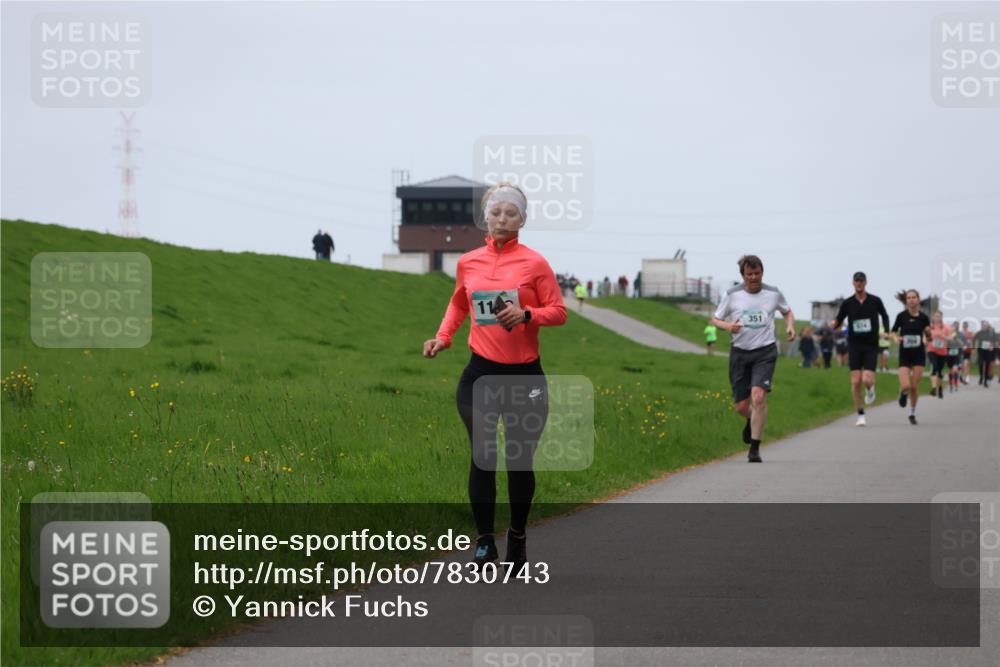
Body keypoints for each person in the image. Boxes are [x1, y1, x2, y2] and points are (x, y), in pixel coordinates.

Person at [422, 182, 566, 572]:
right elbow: (458, 304)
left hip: (525, 379)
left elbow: (558, 310)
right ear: (485, 217)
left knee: (519, 461)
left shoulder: (535, 264)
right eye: (496, 212)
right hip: (480, 374)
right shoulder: (468, 262)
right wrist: (443, 337)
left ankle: (517, 535)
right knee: (483, 455)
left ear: (522, 220)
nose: (503, 218)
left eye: (511, 213)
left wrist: (527, 315)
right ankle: (485, 541)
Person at [709, 255, 795, 463]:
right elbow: (715, 319)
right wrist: (729, 327)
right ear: (743, 276)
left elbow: (787, 311)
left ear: (762, 273)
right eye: (749, 274)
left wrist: (790, 326)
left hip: (764, 352)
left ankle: (755, 448)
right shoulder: (732, 295)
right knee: (741, 406)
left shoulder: (773, 293)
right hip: (739, 352)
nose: (754, 278)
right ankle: (751, 419)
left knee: (758, 397)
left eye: (757, 273)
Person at [830, 271, 890, 427]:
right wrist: (834, 324)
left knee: (867, 379)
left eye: (861, 281)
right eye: (856, 281)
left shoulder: (875, 301)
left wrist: (887, 332)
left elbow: (885, 315)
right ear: (853, 283)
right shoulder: (848, 303)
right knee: (856, 381)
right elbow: (839, 318)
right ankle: (860, 414)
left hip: (871, 345)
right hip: (854, 345)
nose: (859, 283)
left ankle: (870, 390)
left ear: (865, 282)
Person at [890, 289, 931, 425]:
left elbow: (928, 335)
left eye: (914, 297)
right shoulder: (901, 316)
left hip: (919, 354)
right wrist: (896, 339)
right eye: (909, 298)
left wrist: (927, 336)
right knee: (906, 385)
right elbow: (894, 331)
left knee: (914, 385)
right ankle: (902, 393)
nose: (911, 300)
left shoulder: (924, 318)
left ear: (918, 299)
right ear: (906, 301)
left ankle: (912, 413)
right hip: (905, 354)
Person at [926, 312, 952, 399]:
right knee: (934, 366)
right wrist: (926, 340)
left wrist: (943, 336)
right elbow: (925, 337)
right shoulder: (929, 327)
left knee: (940, 372)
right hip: (931, 350)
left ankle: (940, 388)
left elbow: (950, 338)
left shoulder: (946, 327)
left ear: (941, 317)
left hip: (942, 352)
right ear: (933, 317)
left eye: (938, 316)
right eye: (935, 316)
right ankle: (933, 388)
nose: (937, 318)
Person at [973, 321, 997, 387]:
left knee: (987, 365)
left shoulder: (991, 333)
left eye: (985, 325)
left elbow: (995, 340)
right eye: (983, 325)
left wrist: (992, 345)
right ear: (981, 326)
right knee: (981, 364)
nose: (984, 327)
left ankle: (986, 381)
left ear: (987, 326)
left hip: (988, 351)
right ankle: (981, 377)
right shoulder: (979, 333)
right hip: (981, 350)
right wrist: (974, 348)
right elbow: (974, 339)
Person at [946, 321, 963, 393]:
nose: (953, 328)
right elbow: (945, 343)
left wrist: (956, 338)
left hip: (956, 355)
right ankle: (951, 384)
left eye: (954, 327)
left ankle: (955, 383)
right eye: (952, 327)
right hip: (949, 355)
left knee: (955, 369)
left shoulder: (958, 335)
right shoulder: (947, 334)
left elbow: (961, 344)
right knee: (950, 371)